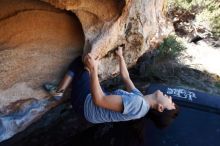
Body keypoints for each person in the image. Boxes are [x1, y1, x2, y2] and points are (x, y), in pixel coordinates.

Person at [44, 46, 179, 128]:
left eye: (171, 103)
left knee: (82, 62)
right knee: (88, 70)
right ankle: (65, 89)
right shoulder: (140, 100)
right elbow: (126, 78)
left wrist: (93, 69)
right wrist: (120, 56)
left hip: (85, 105)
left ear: (161, 108)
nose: (170, 97)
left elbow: (100, 100)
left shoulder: (138, 104)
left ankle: (59, 91)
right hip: (90, 106)